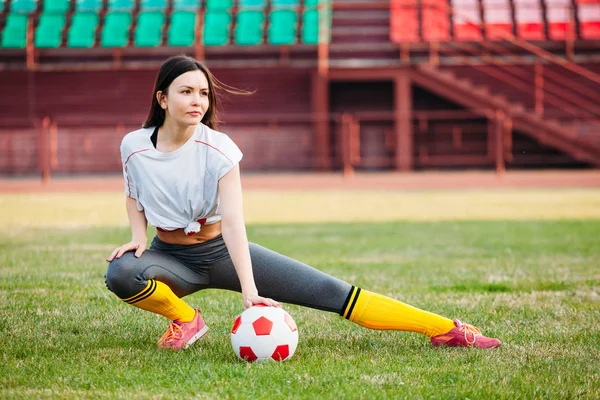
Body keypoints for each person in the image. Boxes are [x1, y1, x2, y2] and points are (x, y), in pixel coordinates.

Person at [105, 55, 501, 351]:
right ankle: (186, 320)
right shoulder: (134, 146)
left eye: (204, 93)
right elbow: (133, 192)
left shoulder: (219, 149)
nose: (198, 101)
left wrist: (249, 289)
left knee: (333, 292)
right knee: (120, 272)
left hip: (221, 250)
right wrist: (138, 237)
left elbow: (235, 224)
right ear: (162, 97)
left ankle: (445, 328)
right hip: (169, 257)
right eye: (186, 91)